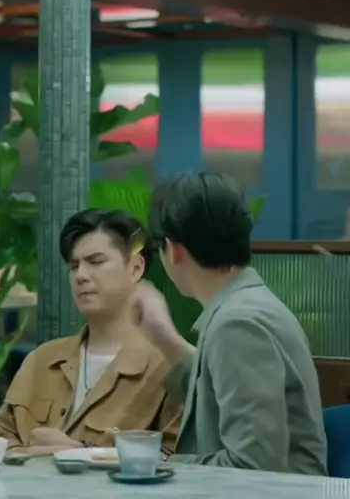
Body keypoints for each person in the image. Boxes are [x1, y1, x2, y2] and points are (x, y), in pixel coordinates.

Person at [0, 208, 181, 499]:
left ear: (136, 267)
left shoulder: (168, 367)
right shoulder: (42, 360)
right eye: (74, 266)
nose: (81, 275)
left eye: (96, 261)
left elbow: (177, 469)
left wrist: (79, 453)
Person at [132, 171, 327, 475]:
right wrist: (163, 337)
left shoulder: (237, 323)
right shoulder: (245, 306)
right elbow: (216, 391)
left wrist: (161, 464)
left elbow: (253, 466)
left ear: (174, 250)